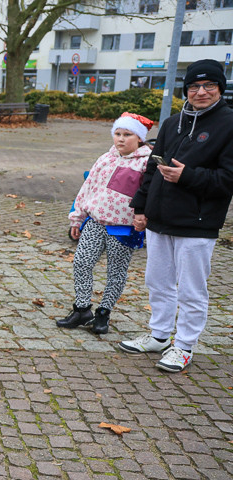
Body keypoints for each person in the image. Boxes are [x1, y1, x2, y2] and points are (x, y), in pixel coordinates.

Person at [120, 59, 233, 372]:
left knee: (191, 289)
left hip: (197, 223)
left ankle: (184, 345)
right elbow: (152, 168)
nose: (200, 92)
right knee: (158, 281)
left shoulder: (229, 123)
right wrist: (141, 207)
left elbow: (228, 179)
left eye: (208, 86)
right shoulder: (173, 122)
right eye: (194, 86)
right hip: (159, 218)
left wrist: (188, 177)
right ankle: (159, 335)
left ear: (220, 88)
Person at [57, 112, 152, 334]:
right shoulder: (105, 158)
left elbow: (150, 193)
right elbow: (87, 188)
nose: (121, 138)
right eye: (117, 133)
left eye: (127, 134)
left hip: (123, 228)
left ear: (139, 138)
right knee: (81, 261)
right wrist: (77, 217)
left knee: (116, 271)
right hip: (96, 222)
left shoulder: (147, 163)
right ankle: (82, 309)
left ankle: (104, 312)